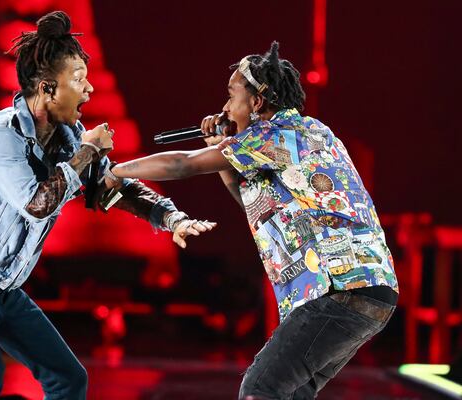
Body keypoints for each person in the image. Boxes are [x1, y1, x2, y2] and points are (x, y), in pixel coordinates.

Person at [0, 11, 215, 400]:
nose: (88, 89)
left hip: (2, 284)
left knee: (68, 378)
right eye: (78, 79)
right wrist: (86, 152)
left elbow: (111, 187)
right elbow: (37, 203)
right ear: (47, 88)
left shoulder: (68, 137)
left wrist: (169, 217)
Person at [108, 41, 398, 399]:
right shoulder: (305, 133)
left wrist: (114, 169)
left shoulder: (277, 134)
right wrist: (226, 150)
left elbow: (182, 163)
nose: (225, 107)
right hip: (368, 292)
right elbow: (258, 210)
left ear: (257, 102)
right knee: (289, 394)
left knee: (261, 388)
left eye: (231, 95)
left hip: (339, 289)